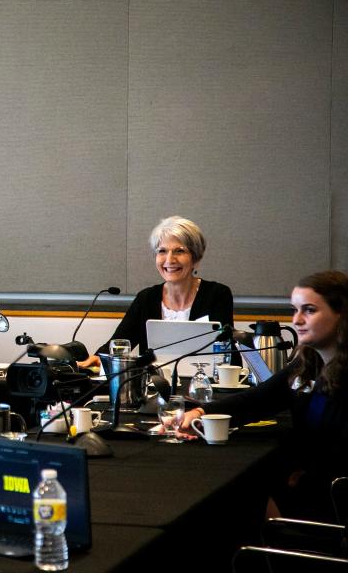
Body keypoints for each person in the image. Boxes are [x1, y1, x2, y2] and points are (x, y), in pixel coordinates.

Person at [180, 270, 348, 522]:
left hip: (332, 500)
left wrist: (305, 472)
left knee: (237, 488)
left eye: (309, 310)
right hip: (311, 482)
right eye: (295, 310)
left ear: (341, 314)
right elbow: (259, 399)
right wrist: (200, 413)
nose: (297, 320)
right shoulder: (308, 362)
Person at [80, 216, 233, 370]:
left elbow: (229, 352)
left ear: (195, 258)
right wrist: (98, 358)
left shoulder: (217, 295)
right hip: (153, 386)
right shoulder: (146, 298)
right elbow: (119, 344)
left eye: (179, 251)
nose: (169, 259)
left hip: (203, 387)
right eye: (162, 251)